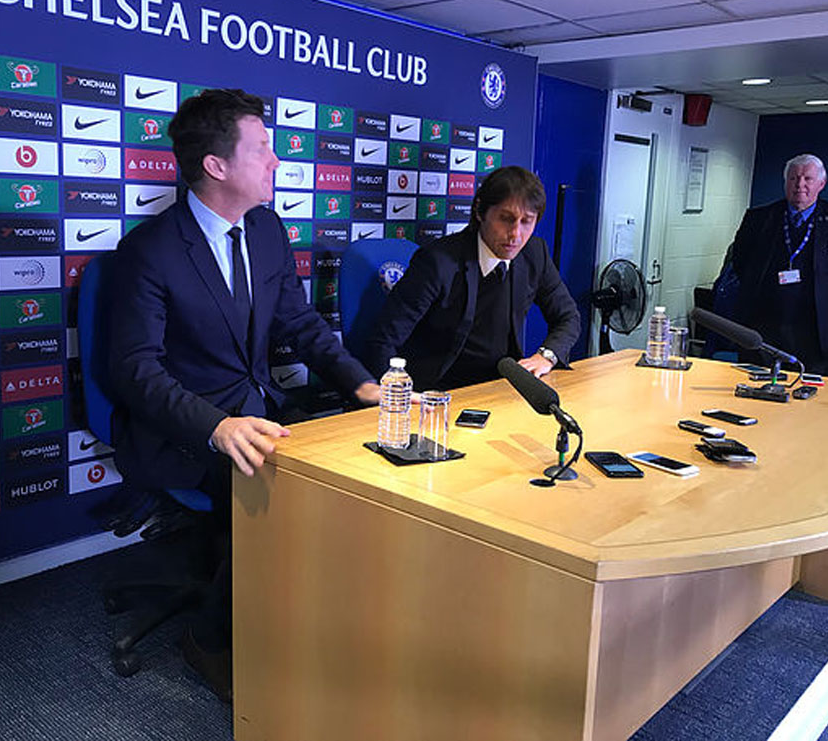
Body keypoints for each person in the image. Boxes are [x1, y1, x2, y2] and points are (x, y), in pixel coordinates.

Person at [108, 88, 379, 701]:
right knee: (277, 494)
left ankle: (298, 622)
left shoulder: (265, 230)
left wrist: (360, 382)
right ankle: (208, 640)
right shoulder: (149, 252)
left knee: (341, 475)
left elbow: (300, 324)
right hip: (183, 431)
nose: (276, 161)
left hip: (258, 410)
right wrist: (216, 427)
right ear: (216, 165)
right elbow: (135, 371)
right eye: (262, 149)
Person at [364, 166, 581, 389]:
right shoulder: (437, 261)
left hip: (503, 386)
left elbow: (568, 317)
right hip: (438, 390)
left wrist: (547, 356)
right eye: (506, 219)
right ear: (480, 212)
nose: (515, 234)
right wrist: (398, 397)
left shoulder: (534, 253)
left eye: (526, 221)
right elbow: (382, 341)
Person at [730, 153, 828, 371]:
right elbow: (741, 261)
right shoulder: (759, 218)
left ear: (821, 184)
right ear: (785, 182)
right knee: (755, 381)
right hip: (763, 322)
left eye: (807, 178)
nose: (800, 185)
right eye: (793, 178)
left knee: (807, 384)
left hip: (813, 327)